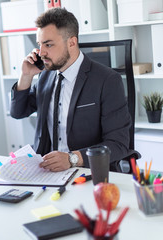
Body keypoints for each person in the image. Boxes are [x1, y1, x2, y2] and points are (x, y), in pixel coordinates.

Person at [10, 7, 131, 172]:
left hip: (87, 170)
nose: (42, 52)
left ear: (72, 42)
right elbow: (18, 112)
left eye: (49, 44)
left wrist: (72, 159)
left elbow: (118, 144)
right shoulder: (46, 75)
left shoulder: (108, 80)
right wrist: (26, 76)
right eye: (39, 44)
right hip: (46, 171)